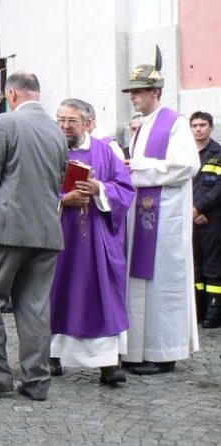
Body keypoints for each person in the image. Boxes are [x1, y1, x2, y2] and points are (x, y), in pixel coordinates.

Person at [0, 72, 68, 402]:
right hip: (47, 230)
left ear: (11, 94)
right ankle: (37, 381)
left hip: (5, 228)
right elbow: (60, 177)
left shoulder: (4, 123)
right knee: (35, 307)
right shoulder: (57, 131)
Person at [121, 48, 200, 375]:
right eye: (131, 92)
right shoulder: (142, 127)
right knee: (141, 288)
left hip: (165, 222)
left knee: (164, 287)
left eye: (138, 91)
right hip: (143, 217)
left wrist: (136, 165)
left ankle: (165, 352)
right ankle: (140, 349)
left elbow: (186, 164)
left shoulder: (176, 123)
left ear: (156, 92)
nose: (133, 97)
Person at [49, 99, 135, 385]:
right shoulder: (49, 150)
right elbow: (34, 190)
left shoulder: (104, 151)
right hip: (60, 238)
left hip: (98, 241)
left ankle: (108, 363)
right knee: (56, 292)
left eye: (71, 120)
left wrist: (100, 189)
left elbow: (125, 189)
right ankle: (53, 356)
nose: (64, 126)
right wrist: (63, 200)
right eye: (60, 119)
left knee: (103, 296)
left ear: (87, 122)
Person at [189, 111, 221, 327]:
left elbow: (218, 189)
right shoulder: (186, 153)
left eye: (203, 125)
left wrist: (198, 208)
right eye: (195, 125)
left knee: (213, 265)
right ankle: (198, 309)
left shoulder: (218, 153)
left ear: (211, 127)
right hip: (189, 217)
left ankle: (215, 310)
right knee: (194, 264)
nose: (198, 129)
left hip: (212, 219)